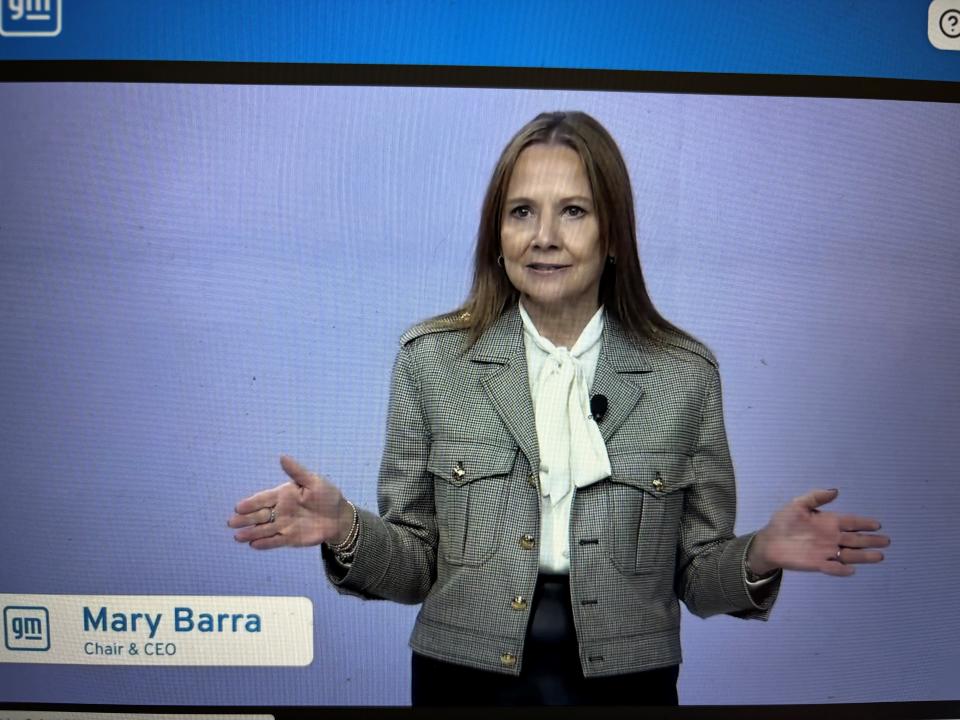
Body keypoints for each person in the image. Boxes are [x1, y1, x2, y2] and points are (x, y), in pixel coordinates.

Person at [227, 111, 890, 706]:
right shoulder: (430, 362)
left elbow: (695, 576)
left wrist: (761, 554)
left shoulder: (683, 374)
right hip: (462, 679)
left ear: (613, 235)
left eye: (572, 210)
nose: (543, 235)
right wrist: (346, 528)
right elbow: (413, 568)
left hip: (628, 681)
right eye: (521, 212)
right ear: (497, 234)